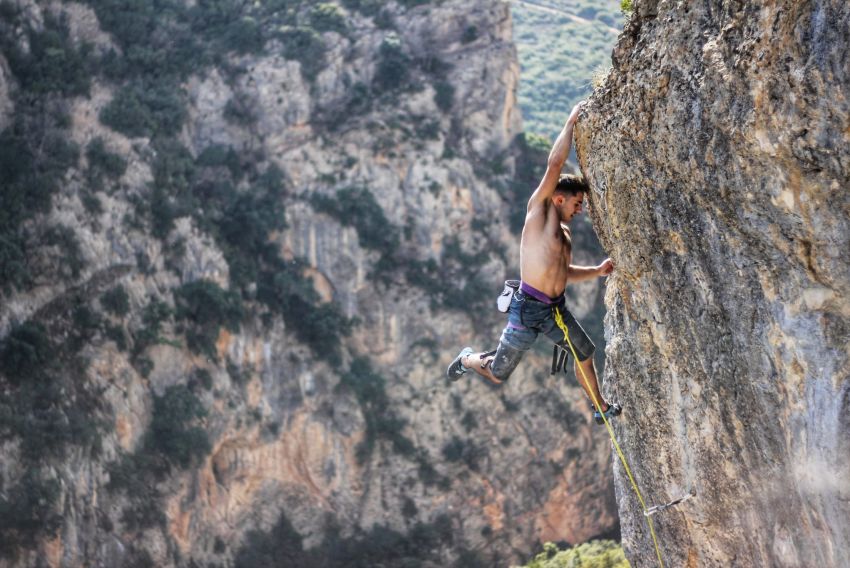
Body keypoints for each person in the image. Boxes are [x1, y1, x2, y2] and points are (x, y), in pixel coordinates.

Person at [446, 101, 621, 425]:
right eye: (577, 202)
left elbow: (562, 273)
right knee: (498, 373)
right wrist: (570, 123)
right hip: (527, 310)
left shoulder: (563, 234)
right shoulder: (538, 213)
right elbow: (554, 165)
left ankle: (600, 407)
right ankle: (468, 359)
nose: (580, 208)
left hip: (555, 308)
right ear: (559, 198)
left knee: (585, 352)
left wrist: (596, 271)